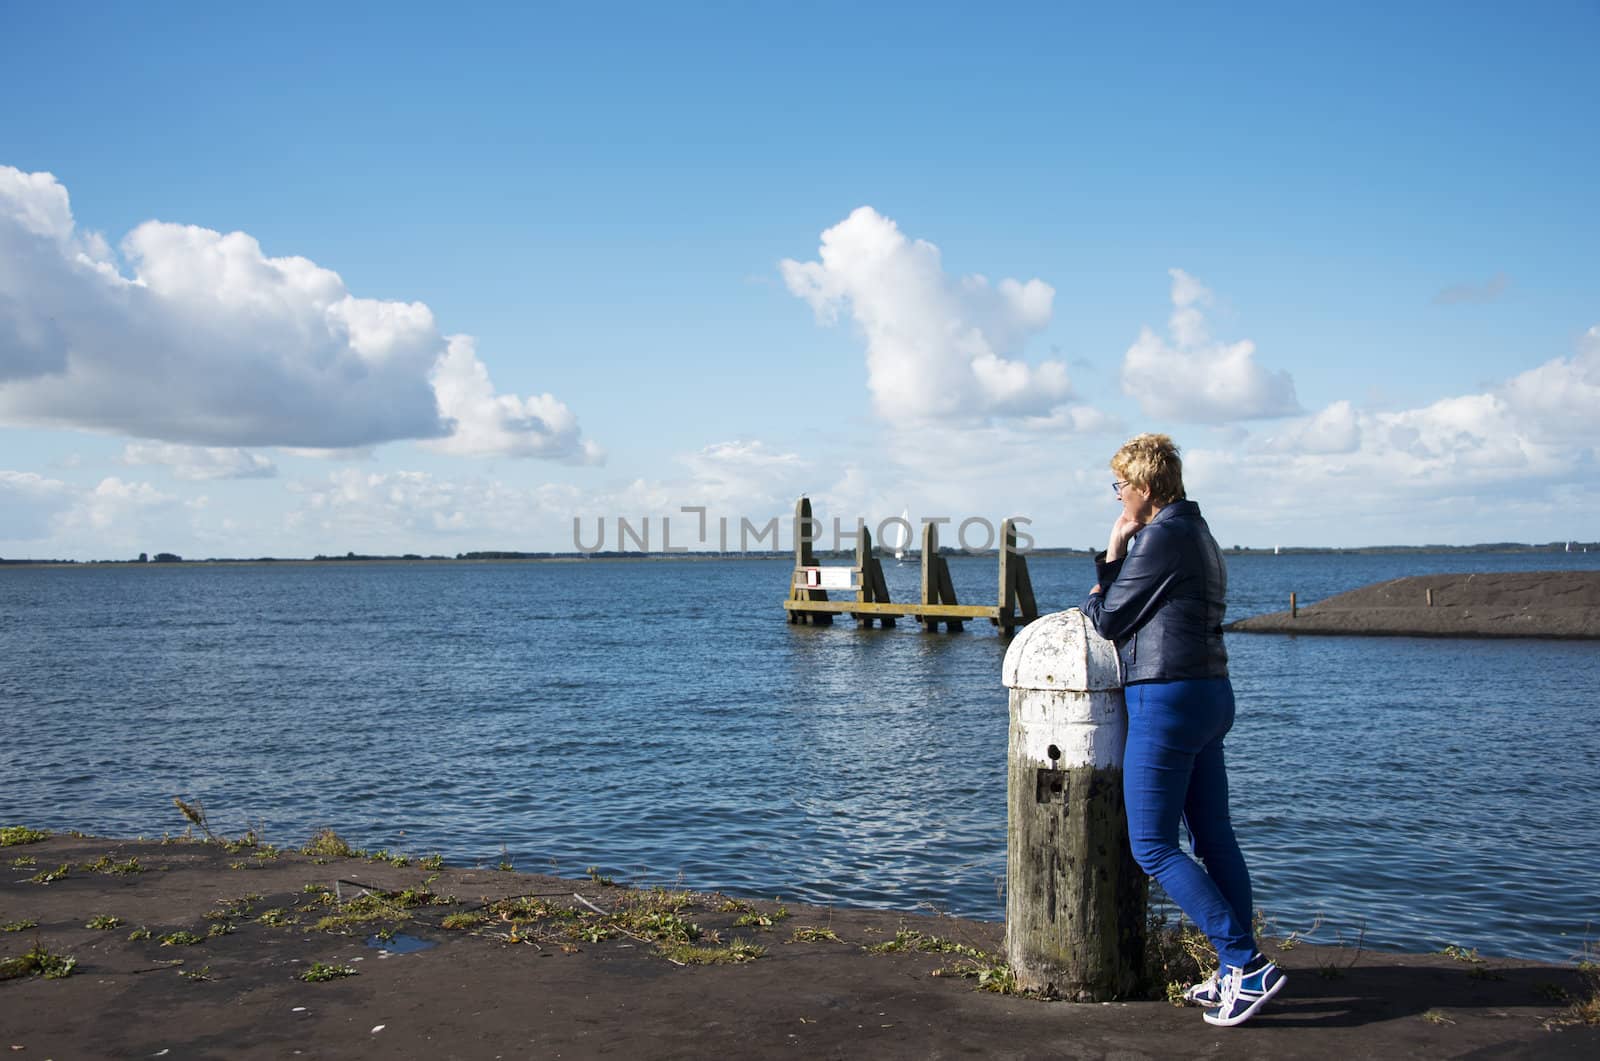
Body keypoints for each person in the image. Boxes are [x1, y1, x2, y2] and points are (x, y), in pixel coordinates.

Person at [1081, 433, 1286, 1027]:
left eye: (1120, 485)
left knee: (1151, 845)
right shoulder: (1198, 533)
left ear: (1144, 489)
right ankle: (1233, 971)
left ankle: (1245, 965)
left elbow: (1109, 619)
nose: (1117, 495)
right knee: (1213, 835)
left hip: (1166, 698)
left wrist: (1111, 553)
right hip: (1209, 694)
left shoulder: (1159, 537)